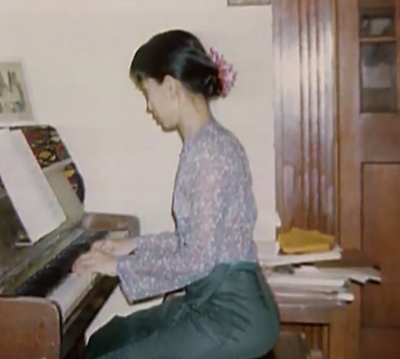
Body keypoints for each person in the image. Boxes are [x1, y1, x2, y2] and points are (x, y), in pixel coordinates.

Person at [72, 29, 281, 359]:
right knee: (107, 339)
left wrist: (119, 267)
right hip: (212, 303)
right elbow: (196, 240)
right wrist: (132, 247)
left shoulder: (209, 155)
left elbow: (198, 259)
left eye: (147, 93)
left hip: (232, 317)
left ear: (170, 87)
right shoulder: (204, 145)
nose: (149, 107)